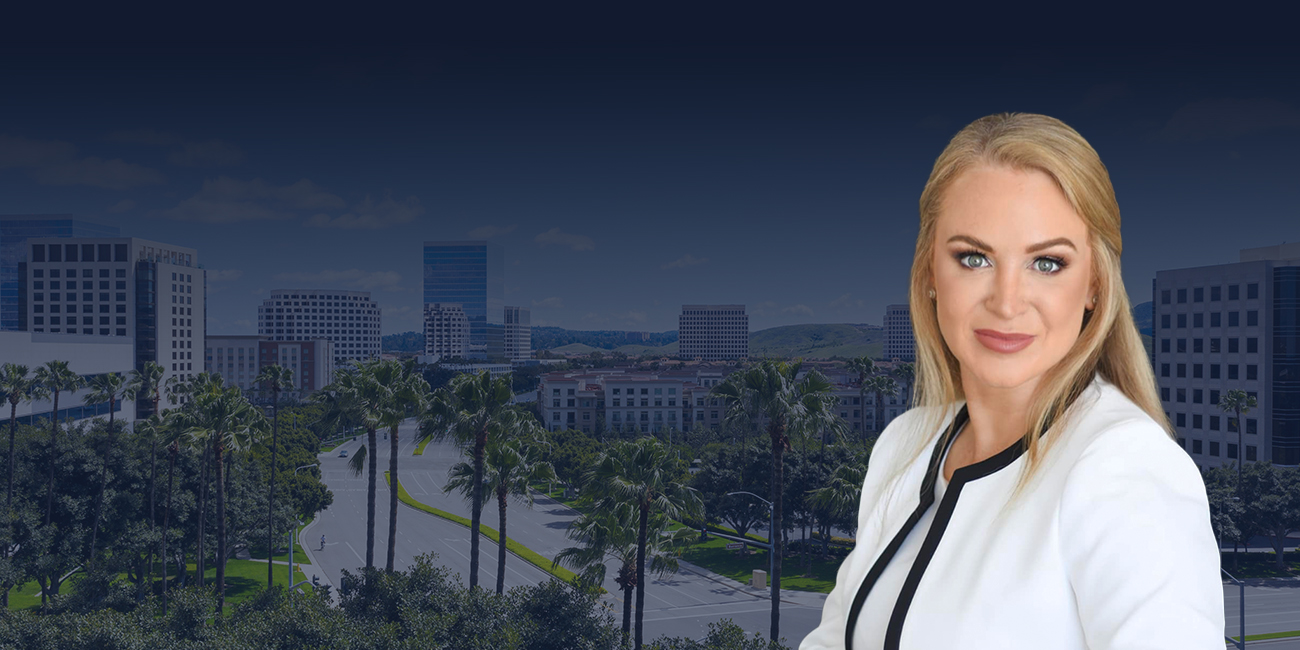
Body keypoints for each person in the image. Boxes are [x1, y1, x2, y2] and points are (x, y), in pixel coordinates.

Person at [800, 113, 1223, 649]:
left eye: (1046, 263)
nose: (1005, 302)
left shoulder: (1122, 467)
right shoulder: (904, 445)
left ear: (1095, 283)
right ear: (931, 273)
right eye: (973, 258)